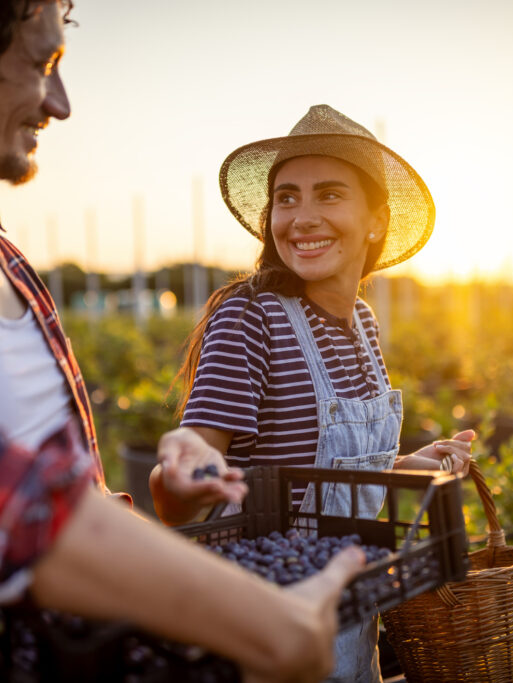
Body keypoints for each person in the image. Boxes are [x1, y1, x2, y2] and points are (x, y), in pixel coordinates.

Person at [0, 3, 366, 681]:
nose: (60, 104)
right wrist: (261, 619)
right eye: (42, 64)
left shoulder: (10, 264)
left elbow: (80, 498)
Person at [149, 105, 476, 682]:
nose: (301, 217)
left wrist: (404, 466)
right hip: (262, 622)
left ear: (376, 219)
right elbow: (186, 481)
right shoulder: (252, 317)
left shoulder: (365, 324)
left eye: (328, 195)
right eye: (286, 198)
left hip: (348, 616)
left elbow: (320, 477)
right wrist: (180, 476)